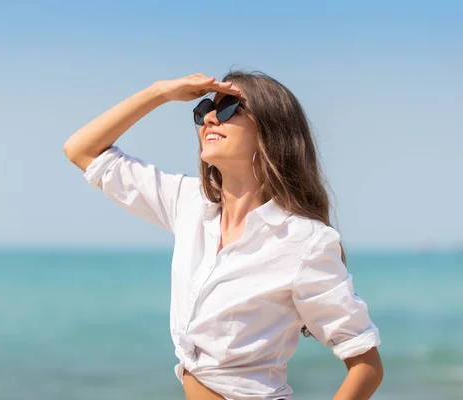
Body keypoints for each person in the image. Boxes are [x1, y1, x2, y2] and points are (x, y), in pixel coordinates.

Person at [63, 71, 383, 400]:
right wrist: (159, 92)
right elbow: (81, 150)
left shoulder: (304, 241)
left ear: (269, 132)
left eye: (230, 107)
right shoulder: (188, 204)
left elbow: (366, 364)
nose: (211, 118)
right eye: (203, 111)